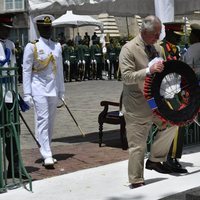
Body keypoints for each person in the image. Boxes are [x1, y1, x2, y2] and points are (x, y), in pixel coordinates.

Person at [119, 15, 178, 188]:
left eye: (160, 33)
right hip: (136, 105)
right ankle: (136, 180)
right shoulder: (128, 49)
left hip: (154, 102)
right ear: (144, 31)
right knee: (138, 144)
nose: (158, 37)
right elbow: (127, 77)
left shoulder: (157, 47)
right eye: (155, 33)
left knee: (171, 123)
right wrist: (148, 70)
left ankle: (155, 160)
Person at [22, 14, 65, 168]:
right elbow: (26, 71)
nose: (48, 30)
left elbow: (59, 70)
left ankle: (47, 149)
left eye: (49, 28)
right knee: (43, 120)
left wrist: (61, 90)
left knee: (51, 122)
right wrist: (27, 93)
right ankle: (46, 154)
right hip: (38, 88)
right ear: (39, 29)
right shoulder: (32, 46)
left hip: (53, 89)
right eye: (44, 28)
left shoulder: (57, 46)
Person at [160, 22, 188, 173]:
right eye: (176, 36)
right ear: (168, 32)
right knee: (176, 122)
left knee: (180, 122)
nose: (178, 39)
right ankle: (169, 158)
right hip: (163, 93)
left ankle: (173, 157)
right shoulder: (161, 48)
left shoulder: (175, 49)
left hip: (174, 91)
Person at [0, 14, 20, 178]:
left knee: (11, 131)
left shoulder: (10, 44)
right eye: (4, 29)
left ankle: (14, 166)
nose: (7, 33)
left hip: (8, 94)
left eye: (9, 30)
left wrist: (16, 95)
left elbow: (13, 68)